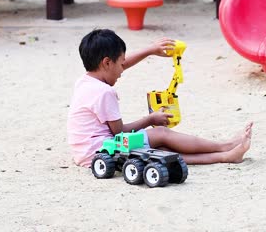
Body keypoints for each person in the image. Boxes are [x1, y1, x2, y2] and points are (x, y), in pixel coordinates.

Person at [67, 29, 253, 167]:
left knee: (160, 152)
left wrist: (149, 50)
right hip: (102, 152)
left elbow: (118, 66)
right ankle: (224, 146)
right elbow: (119, 133)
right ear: (107, 62)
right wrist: (151, 119)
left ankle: (226, 156)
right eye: (121, 64)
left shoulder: (85, 82)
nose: (122, 71)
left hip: (84, 152)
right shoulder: (104, 92)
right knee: (161, 134)